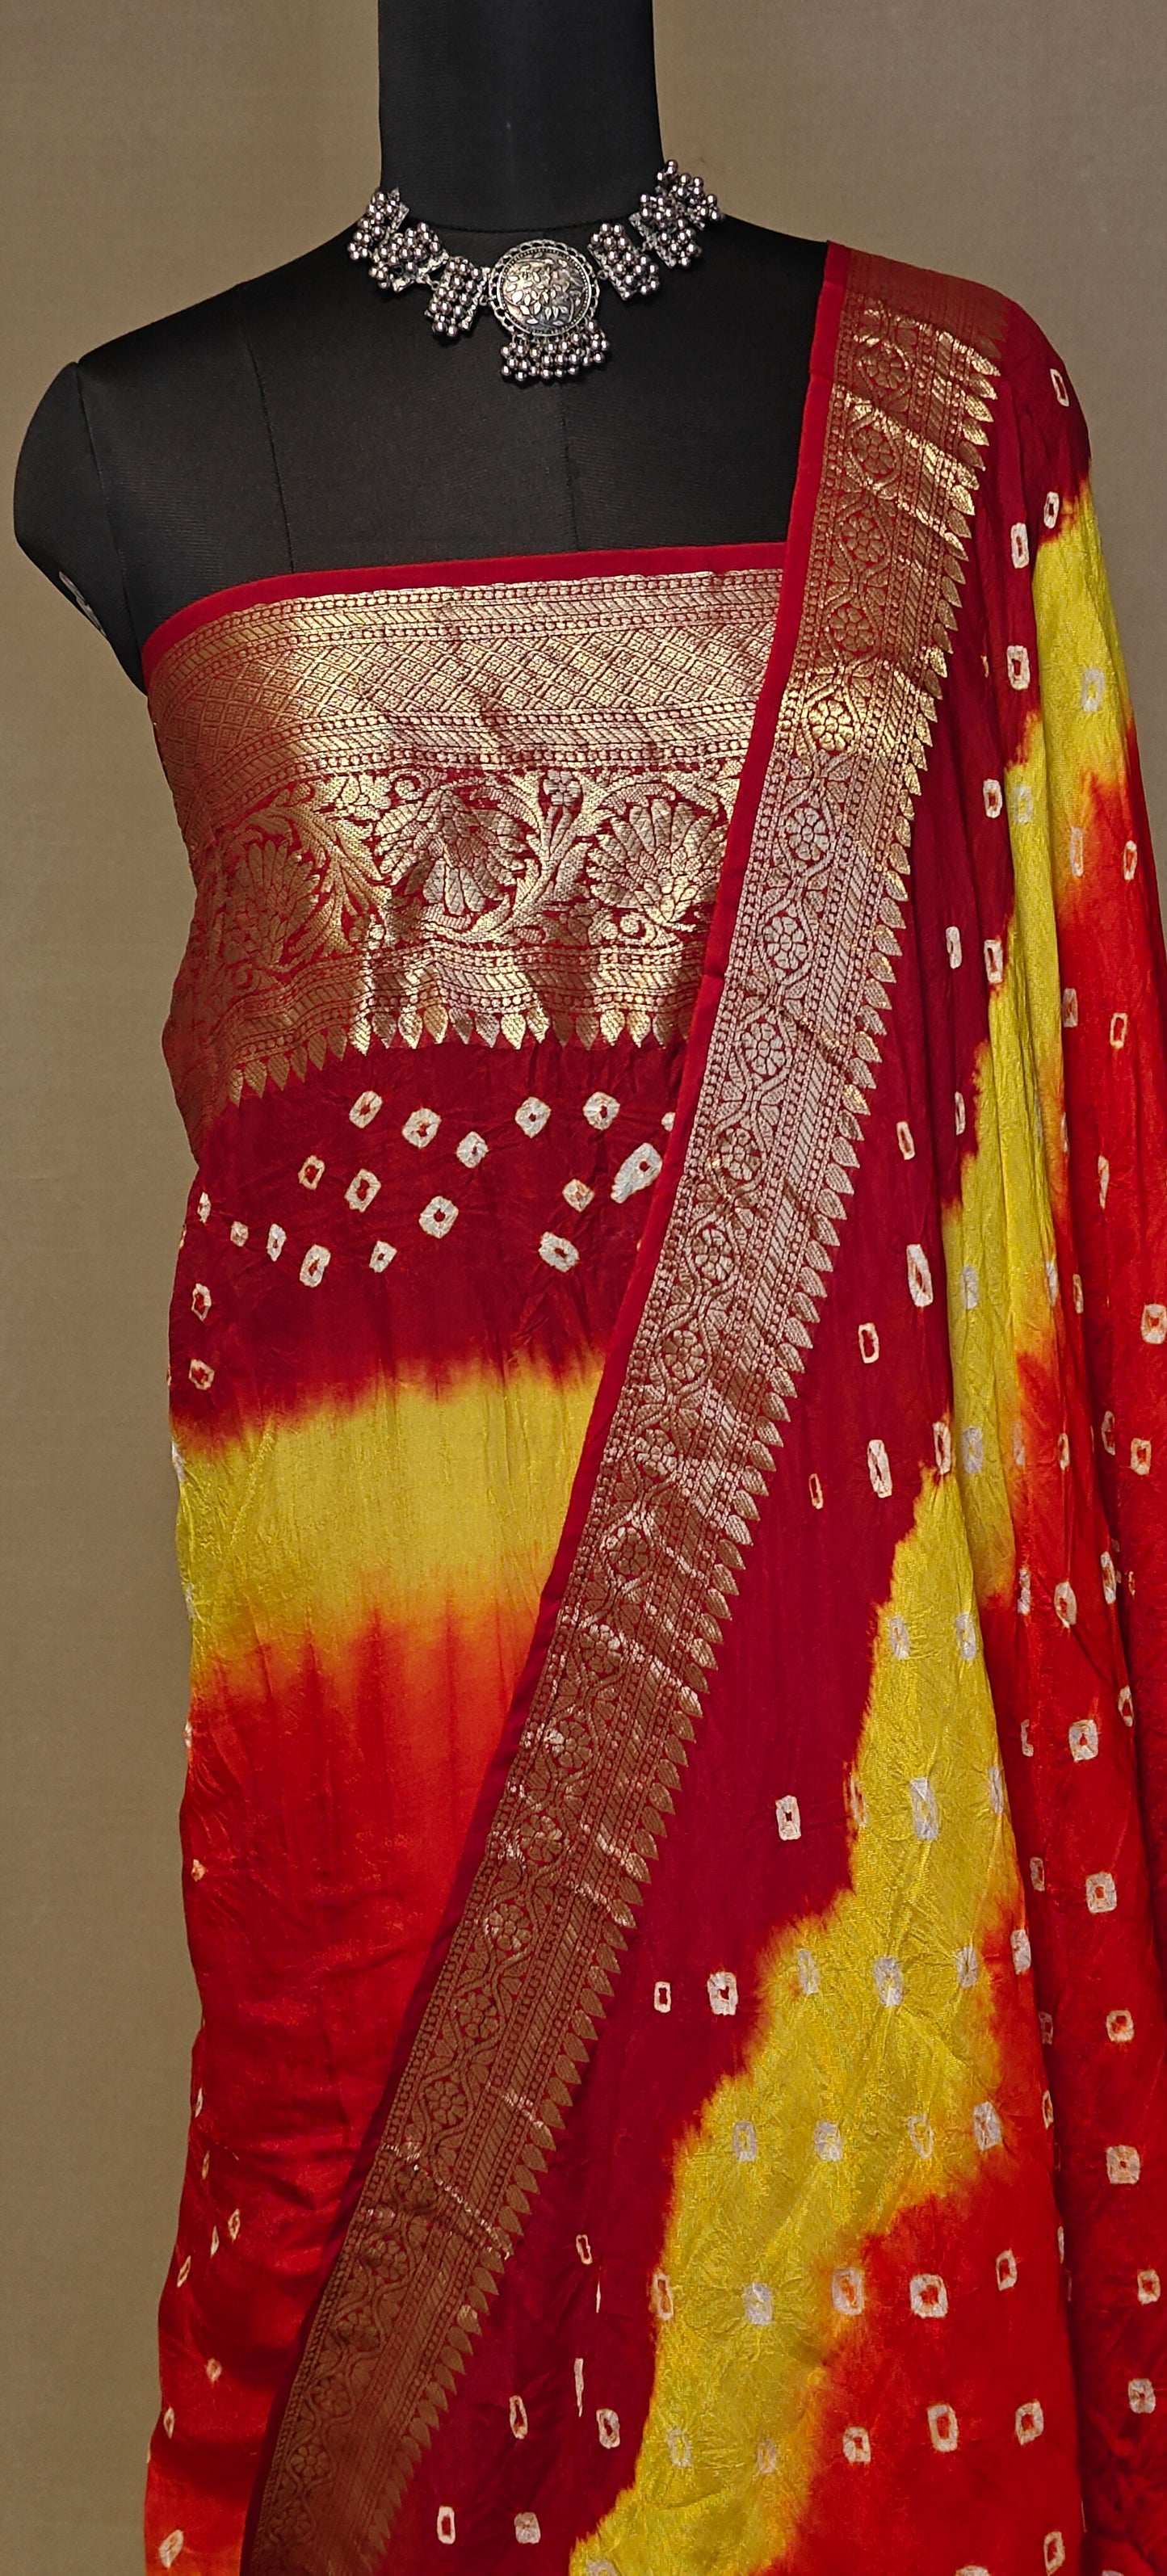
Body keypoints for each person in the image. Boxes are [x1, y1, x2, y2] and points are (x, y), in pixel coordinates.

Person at [15, 6, 1167, 2572]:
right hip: (365, 1756)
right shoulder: (133, 433)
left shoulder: (953, 414)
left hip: (848, 1727)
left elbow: (1051, 1178)